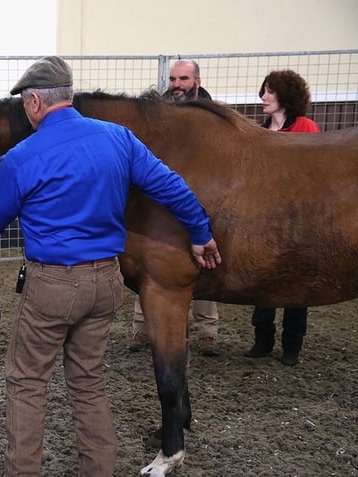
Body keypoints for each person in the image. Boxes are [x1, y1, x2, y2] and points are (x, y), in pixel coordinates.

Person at [0, 56, 222, 477]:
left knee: (26, 381)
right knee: (88, 381)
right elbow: (170, 185)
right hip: (106, 281)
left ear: (33, 103)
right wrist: (200, 231)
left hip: (53, 285)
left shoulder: (21, 157)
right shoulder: (118, 138)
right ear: (67, 97)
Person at [130, 58, 220, 357]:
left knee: (202, 263)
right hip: (160, 199)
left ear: (197, 80)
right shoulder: (158, 114)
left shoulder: (211, 114)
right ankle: (142, 327)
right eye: (172, 79)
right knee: (150, 262)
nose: (177, 85)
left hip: (200, 197)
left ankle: (206, 330)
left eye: (183, 78)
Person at [245, 69, 320, 366]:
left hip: (298, 220)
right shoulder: (258, 133)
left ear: (285, 95)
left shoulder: (306, 128)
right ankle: (262, 340)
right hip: (265, 222)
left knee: (296, 285)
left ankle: (292, 346)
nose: (264, 97)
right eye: (263, 90)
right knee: (262, 282)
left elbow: (313, 175)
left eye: (270, 91)